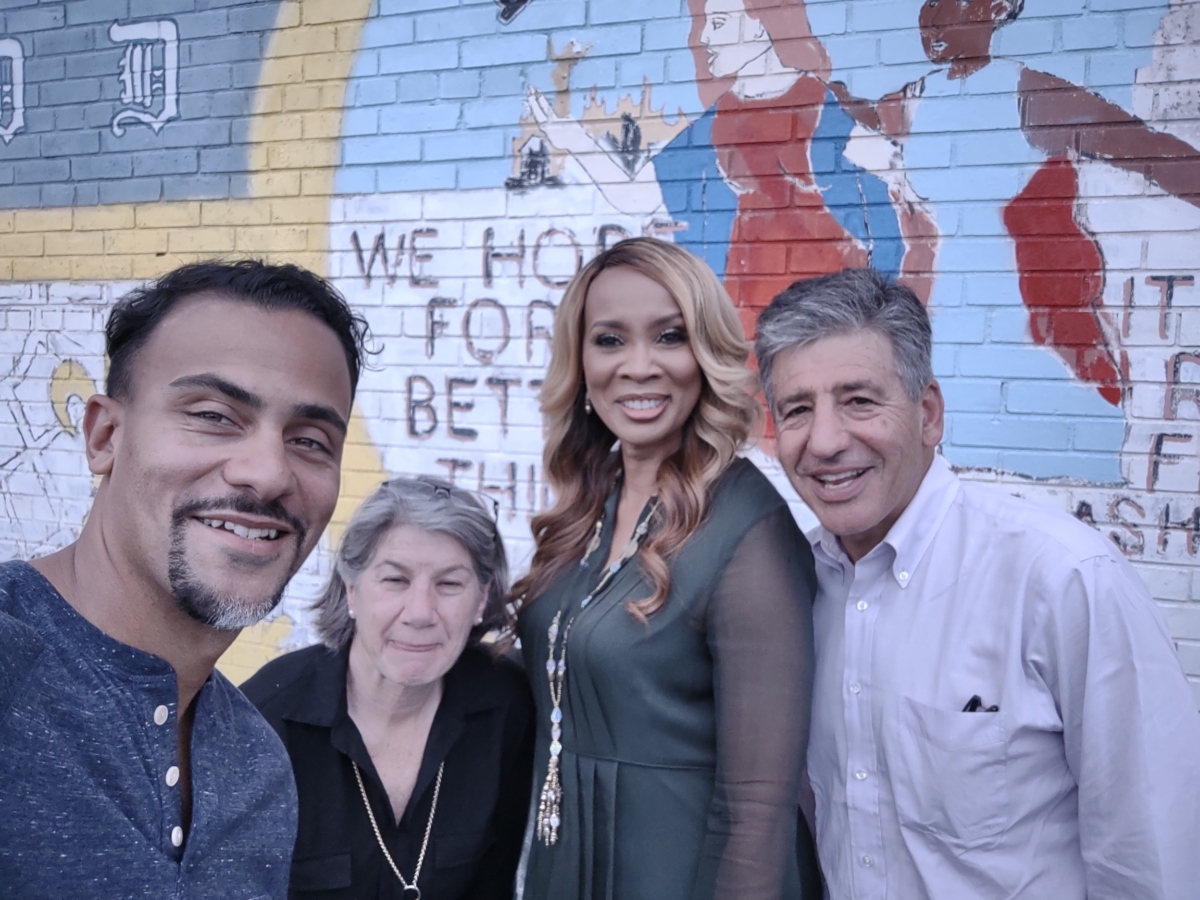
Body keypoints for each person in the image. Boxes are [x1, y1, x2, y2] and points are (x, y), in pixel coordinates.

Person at [754, 267, 1200, 899]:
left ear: (928, 413)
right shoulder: (790, 593)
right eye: (798, 410)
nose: (825, 441)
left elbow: (1153, 857)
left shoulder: (1060, 578)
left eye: (859, 400)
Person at [0, 261, 369, 897]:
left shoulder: (259, 769)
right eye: (214, 415)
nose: (268, 473)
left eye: (310, 440)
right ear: (105, 436)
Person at [514, 236, 819, 900]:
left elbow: (759, 815)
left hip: (678, 876)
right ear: (582, 361)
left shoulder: (749, 529)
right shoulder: (588, 507)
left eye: (669, 336)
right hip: (567, 871)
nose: (639, 365)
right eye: (610, 340)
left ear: (705, 354)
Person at [829, 0, 1200, 481]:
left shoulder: (1026, 92)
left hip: (1024, 335)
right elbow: (864, 118)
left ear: (997, 9)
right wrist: (825, 91)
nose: (932, 17)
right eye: (929, 4)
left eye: (952, 3)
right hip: (945, 329)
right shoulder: (917, 98)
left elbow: (1148, 150)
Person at [242, 477, 535, 899]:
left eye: (450, 584)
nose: (420, 613)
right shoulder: (262, 721)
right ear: (352, 589)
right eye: (395, 580)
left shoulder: (509, 709)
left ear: (482, 597)